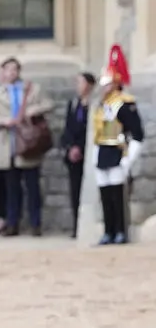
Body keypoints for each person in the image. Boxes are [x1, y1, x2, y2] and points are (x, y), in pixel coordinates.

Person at [0, 57, 53, 237]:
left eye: (14, 69)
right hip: (8, 143)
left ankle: (35, 223)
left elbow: (48, 104)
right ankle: (12, 223)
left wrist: (33, 111)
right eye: (8, 69)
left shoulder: (32, 89)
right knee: (12, 188)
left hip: (28, 142)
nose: (11, 73)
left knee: (32, 186)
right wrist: (4, 121)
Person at [92, 45, 144, 244]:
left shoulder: (125, 104)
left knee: (117, 195)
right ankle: (109, 230)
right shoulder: (102, 105)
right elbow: (98, 133)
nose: (104, 87)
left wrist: (129, 159)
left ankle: (120, 230)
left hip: (118, 151)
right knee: (105, 194)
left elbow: (137, 134)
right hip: (103, 151)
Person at [62, 72, 94, 238]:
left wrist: (81, 148)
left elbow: (89, 129)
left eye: (81, 82)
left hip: (87, 152)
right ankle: (76, 225)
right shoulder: (73, 104)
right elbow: (68, 127)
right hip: (73, 153)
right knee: (75, 190)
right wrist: (70, 147)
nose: (78, 86)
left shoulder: (93, 105)